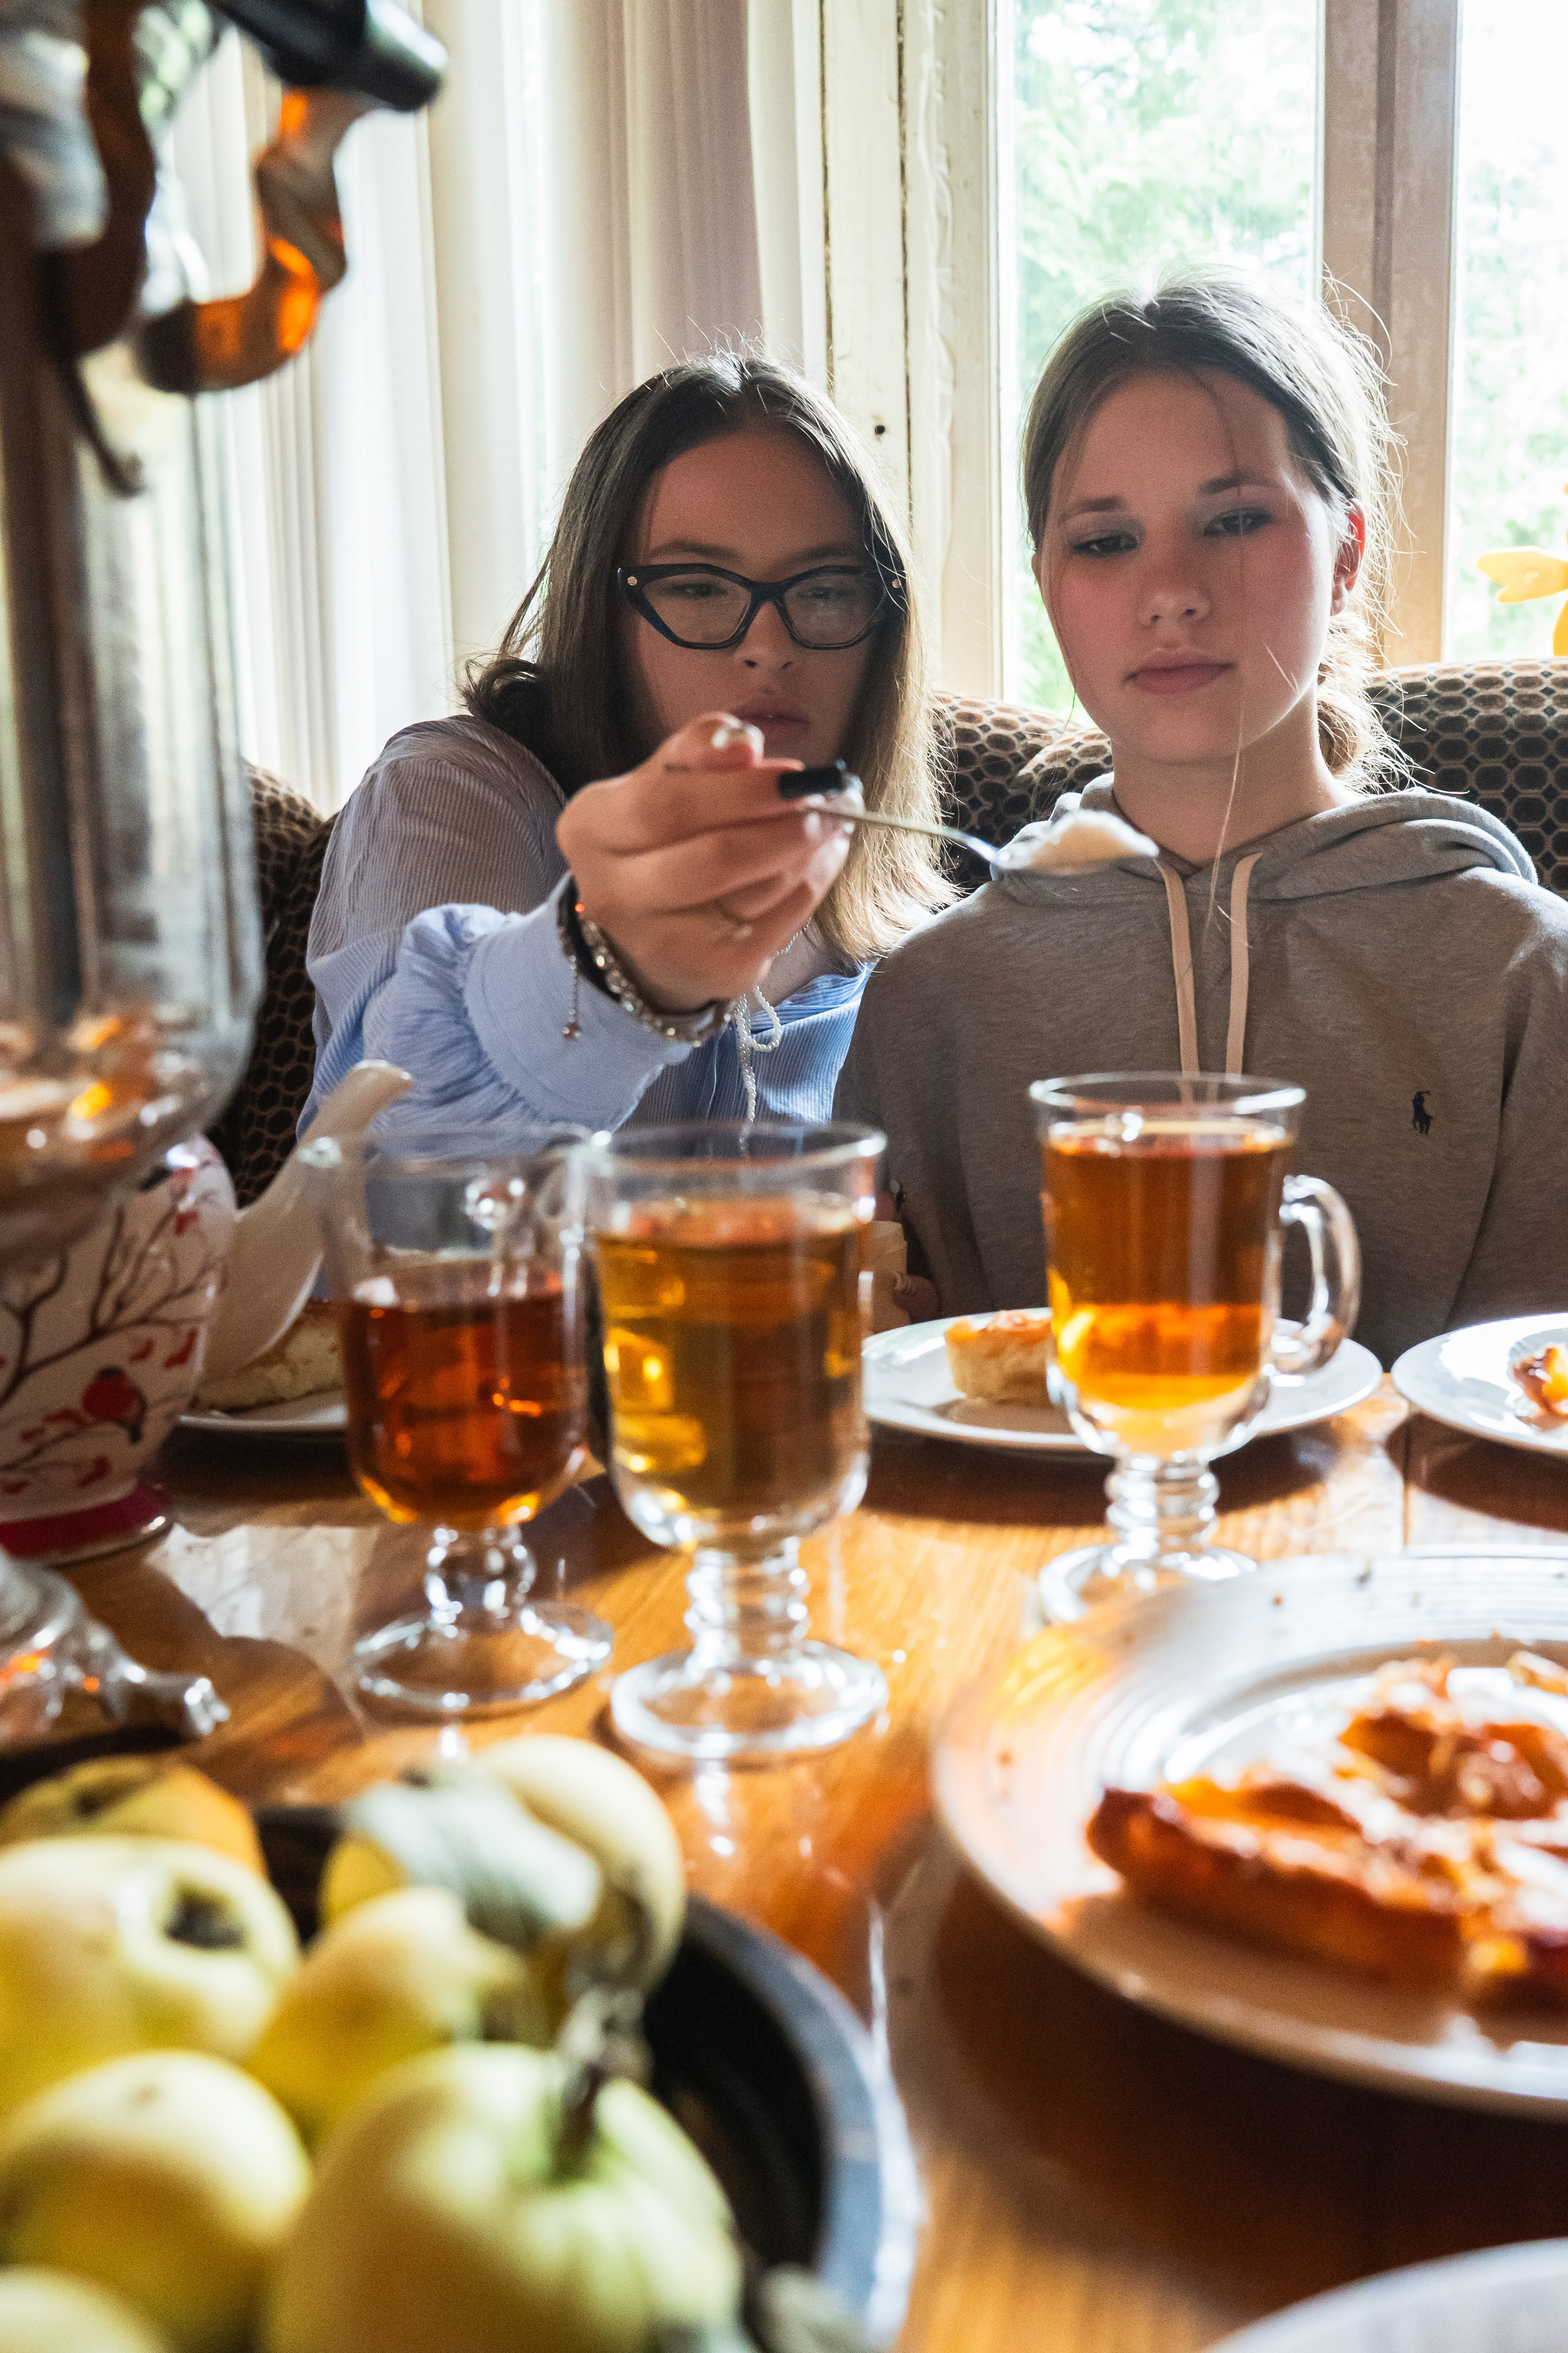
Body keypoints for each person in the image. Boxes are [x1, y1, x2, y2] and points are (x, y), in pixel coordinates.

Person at [836, 275, 1568, 1366]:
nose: (1169, 590)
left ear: (1348, 556)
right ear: (1047, 580)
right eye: (1103, 541)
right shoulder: (928, 1003)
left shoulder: (1526, 977)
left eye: (1233, 520)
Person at [304, 356, 950, 1144]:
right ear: (600, 612)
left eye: (821, 589)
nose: (769, 647)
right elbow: (404, 1153)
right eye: (700, 586)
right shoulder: (448, 793)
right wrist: (611, 973)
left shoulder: (902, 936)